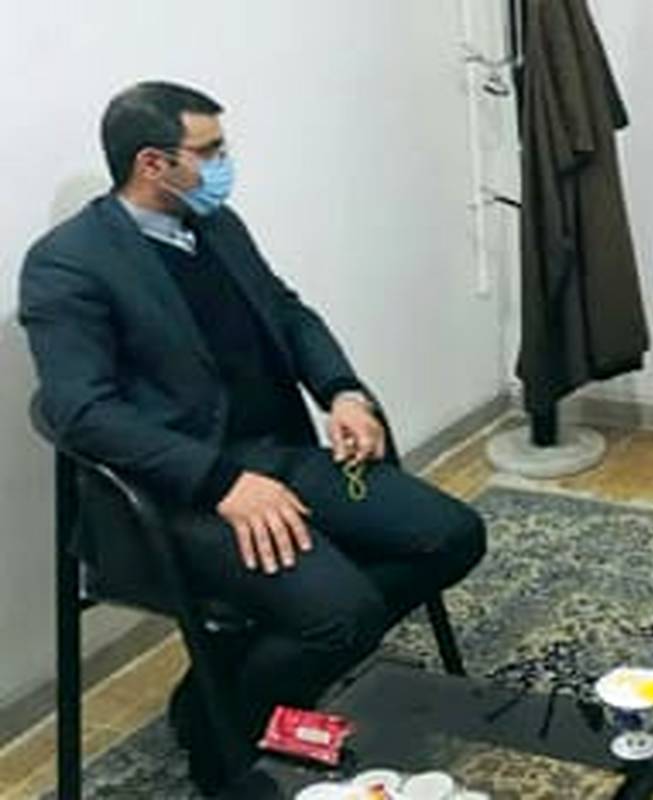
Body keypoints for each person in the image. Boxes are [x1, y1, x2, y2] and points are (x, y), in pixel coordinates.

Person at [20, 81, 486, 792]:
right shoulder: (68, 263)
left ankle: (220, 696)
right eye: (209, 151)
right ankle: (226, 757)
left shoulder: (216, 226)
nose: (225, 163)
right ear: (153, 163)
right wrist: (222, 483)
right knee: (340, 615)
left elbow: (288, 313)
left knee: (451, 535)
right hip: (178, 492)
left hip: (279, 457)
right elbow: (81, 411)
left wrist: (342, 391)